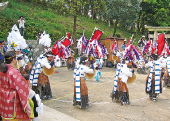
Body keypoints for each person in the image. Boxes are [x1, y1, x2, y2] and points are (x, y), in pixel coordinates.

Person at [0, 51, 33, 121]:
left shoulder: (2, 70)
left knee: (5, 117)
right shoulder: (13, 72)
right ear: (13, 60)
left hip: (3, 96)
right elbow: (22, 85)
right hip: (12, 98)